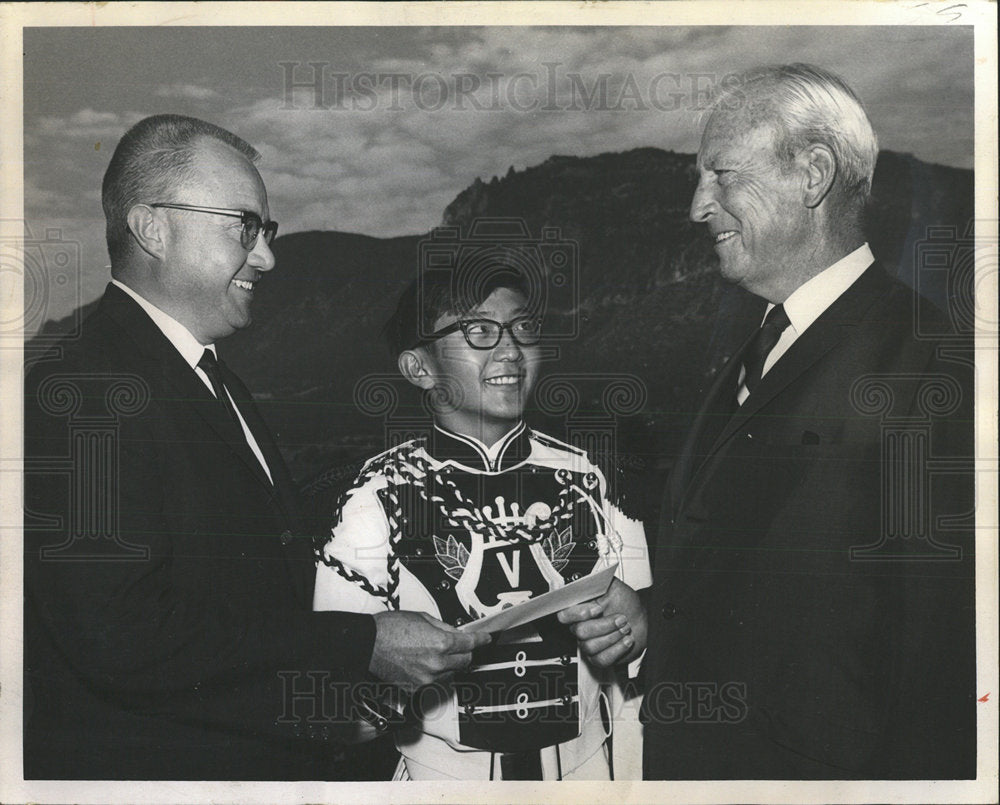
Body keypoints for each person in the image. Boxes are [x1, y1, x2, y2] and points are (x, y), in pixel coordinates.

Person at [23, 114, 487, 780]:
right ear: (153, 226)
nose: (267, 255)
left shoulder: (221, 383)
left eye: (265, 230)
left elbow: (234, 610)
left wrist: (316, 703)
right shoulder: (81, 389)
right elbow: (119, 632)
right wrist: (362, 643)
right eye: (244, 225)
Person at [561, 63, 976, 778]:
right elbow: (795, 586)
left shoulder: (929, 367)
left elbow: (940, 660)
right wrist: (655, 616)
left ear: (812, 175)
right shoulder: (759, 347)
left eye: (720, 175)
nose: (698, 206)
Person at [313, 265, 652, 780]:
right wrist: (377, 697)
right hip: (442, 783)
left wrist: (641, 631)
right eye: (479, 331)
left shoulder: (599, 478)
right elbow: (333, 699)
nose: (512, 349)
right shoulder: (373, 496)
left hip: (590, 772)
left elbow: (652, 646)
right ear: (418, 368)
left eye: (523, 327)